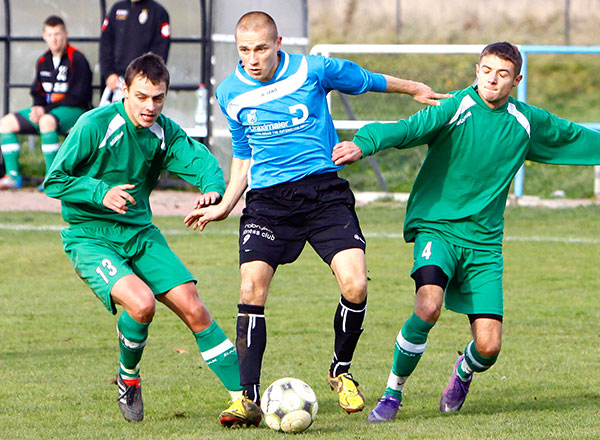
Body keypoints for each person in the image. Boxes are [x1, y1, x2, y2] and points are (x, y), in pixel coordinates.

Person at [183, 10, 450, 427]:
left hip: (324, 193)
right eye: (244, 50)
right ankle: (247, 398)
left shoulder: (313, 70)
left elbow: (366, 79)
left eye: (260, 49)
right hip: (268, 202)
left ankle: (340, 372)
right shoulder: (229, 92)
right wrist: (225, 205)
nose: (252, 59)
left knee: (356, 284)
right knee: (251, 287)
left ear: (278, 43)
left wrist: (414, 88)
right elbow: (243, 155)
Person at [331, 41, 600, 423]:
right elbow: (408, 128)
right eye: (486, 71)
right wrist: (364, 143)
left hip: (484, 244)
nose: (492, 79)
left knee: (488, 347)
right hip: (437, 229)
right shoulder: (455, 107)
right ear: (477, 70)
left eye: (503, 74)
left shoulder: (526, 122)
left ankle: (464, 370)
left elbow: (575, 136)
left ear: (517, 81)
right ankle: (392, 393)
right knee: (428, 306)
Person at [44, 53, 254, 425]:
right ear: (124, 90)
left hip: (140, 234)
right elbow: (54, 180)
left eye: (158, 98)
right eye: (141, 96)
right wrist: (100, 193)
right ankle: (128, 377)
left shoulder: (163, 132)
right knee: (142, 305)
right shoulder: (94, 124)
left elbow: (200, 160)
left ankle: (244, 400)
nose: (150, 106)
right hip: (90, 236)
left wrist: (211, 187)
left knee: (193, 306)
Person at [0, 15, 92, 190]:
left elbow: (79, 96)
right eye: (50, 35)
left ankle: (52, 178)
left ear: (65, 34)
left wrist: (45, 110)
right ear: (44, 36)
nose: (54, 39)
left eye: (57, 34)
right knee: (6, 123)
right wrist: (37, 108)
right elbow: (37, 91)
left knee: (46, 121)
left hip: (74, 111)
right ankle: (12, 177)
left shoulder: (77, 58)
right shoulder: (43, 60)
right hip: (48, 112)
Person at [99, 0, 170, 106]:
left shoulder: (158, 12)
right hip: (116, 82)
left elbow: (161, 50)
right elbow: (106, 44)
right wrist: (109, 73)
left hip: (143, 82)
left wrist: (145, 76)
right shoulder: (117, 8)